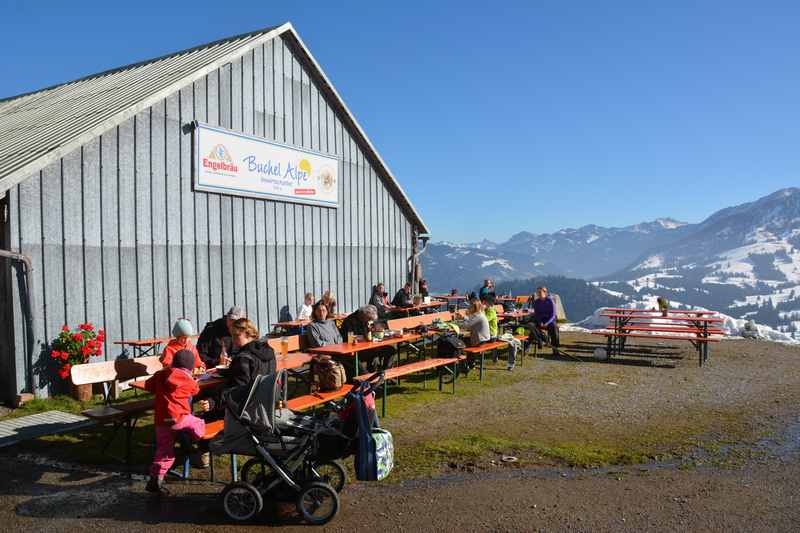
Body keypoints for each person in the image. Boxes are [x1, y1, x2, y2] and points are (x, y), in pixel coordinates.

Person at [144, 349, 205, 495]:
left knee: (164, 451)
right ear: (190, 367)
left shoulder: (160, 375)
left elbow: (148, 386)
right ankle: (196, 442)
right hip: (179, 418)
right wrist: (194, 380)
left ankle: (156, 479)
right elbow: (195, 391)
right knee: (198, 422)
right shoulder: (188, 380)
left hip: (161, 421)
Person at [199, 318, 276, 418]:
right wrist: (223, 371)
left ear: (248, 334)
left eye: (236, 335)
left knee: (204, 403)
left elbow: (237, 390)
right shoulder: (269, 352)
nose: (233, 339)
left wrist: (213, 401)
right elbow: (254, 372)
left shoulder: (244, 358)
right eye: (232, 335)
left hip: (247, 410)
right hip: (267, 403)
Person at [339, 305, 396, 373]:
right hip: (355, 351)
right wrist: (363, 337)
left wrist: (377, 330)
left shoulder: (366, 319)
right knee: (374, 357)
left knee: (391, 350)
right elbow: (349, 339)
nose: (370, 322)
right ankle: (369, 378)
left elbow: (373, 332)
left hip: (368, 347)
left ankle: (385, 375)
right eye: (369, 319)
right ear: (363, 315)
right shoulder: (349, 321)